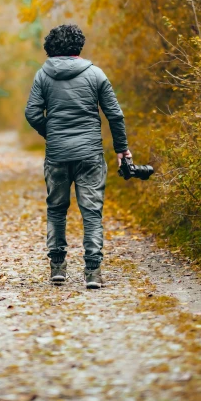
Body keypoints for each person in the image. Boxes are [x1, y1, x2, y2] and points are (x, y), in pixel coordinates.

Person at [25, 24, 131, 289]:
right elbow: (115, 115)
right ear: (78, 46)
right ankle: (93, 272)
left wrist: (52, 134)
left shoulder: (43, 76)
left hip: (57, 154)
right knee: (92, 212)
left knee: (57, 209)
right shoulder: (96, 74)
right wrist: (122, 149)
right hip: (90, 154)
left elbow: (32, 113)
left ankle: (57, 268)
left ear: (51, 48)